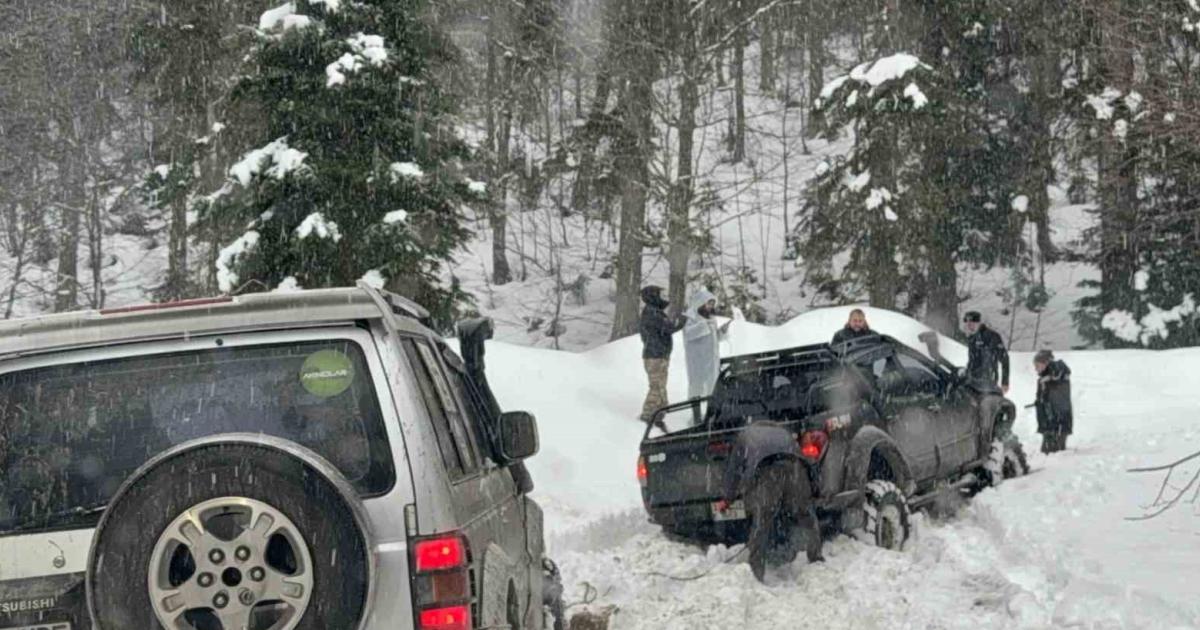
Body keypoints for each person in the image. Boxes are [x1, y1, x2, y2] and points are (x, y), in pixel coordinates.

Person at [639, 285, 682, 425]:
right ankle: (647, 415)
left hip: (658, 355)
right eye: (659, 294)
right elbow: (669, 328)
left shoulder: (654, 311)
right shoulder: (652, 313)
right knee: (656, 386)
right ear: (652, 297)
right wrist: (683, 321)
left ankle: (659, 412)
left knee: (661, 385)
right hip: (655, 356)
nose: (662, 297)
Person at [683, 289, 730, 400]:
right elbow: (688, 334)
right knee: (697, 389)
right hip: (697, 361)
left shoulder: (711, 318)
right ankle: (696, 415)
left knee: (712, 389)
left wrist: (722, 331)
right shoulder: (692, 317)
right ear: (701, 302)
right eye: (709, 303)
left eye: (712, 304)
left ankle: (711, 413)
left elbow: (713, 338)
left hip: (711, 360)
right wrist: (705, 325)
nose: (710, 306)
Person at [1034, 350, 1073, 454]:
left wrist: (1049, 377)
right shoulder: (1042, 380)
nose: (1035, 369)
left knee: (1057, 451)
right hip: (1048, 424)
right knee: (1046, 450)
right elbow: (1040, 397)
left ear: (1046, 363)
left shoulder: (1058, 370)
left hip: (1059, 421)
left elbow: (1059, 372)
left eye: (1038, 365)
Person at [963, 311, 1010, 394]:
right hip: (973, 381)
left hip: (988, 381)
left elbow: (1004, 359)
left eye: (972, 323)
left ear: (979, 323)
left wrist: (1005, 381)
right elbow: (972, 360)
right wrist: (967, 373)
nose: (969, 325)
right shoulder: (972, 338)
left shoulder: (992, 336)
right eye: (967, 323)